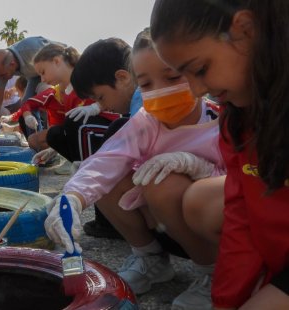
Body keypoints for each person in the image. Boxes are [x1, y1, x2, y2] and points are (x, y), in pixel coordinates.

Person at [44, 27, 225, 309]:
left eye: (173, 77)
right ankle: (150, 258)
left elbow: (242, 187)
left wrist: (198, 167)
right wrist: (73, 197)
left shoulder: (222, 121)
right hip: (160, 226)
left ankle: (212, 274)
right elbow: (107, 160)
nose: (160, 90)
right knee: (110, 176)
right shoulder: (147, 120)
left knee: (161, 182)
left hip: (210, 235)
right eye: (146, 84)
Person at [151, 0, 289, 308]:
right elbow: (242, 216)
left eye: (200, 69)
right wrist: (225, 302)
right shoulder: (237, 117)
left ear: (246, 29)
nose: (197, 90)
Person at [41, 38, 143, 239]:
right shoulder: (136, 106)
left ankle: (111, 225)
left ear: (123, 78)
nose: (102, 105)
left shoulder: (141, 109)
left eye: (101, 98)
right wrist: (75, 193)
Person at [0, 36, 58, 141]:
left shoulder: (32, 50)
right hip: (34, 76)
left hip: (57, 70)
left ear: (12, 65)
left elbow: (61, 61)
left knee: (46, 93)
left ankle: (52, 136)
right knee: (26, 106)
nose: (1, 80)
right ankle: (35, 141)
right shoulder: (3, 69)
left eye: (3, 76)